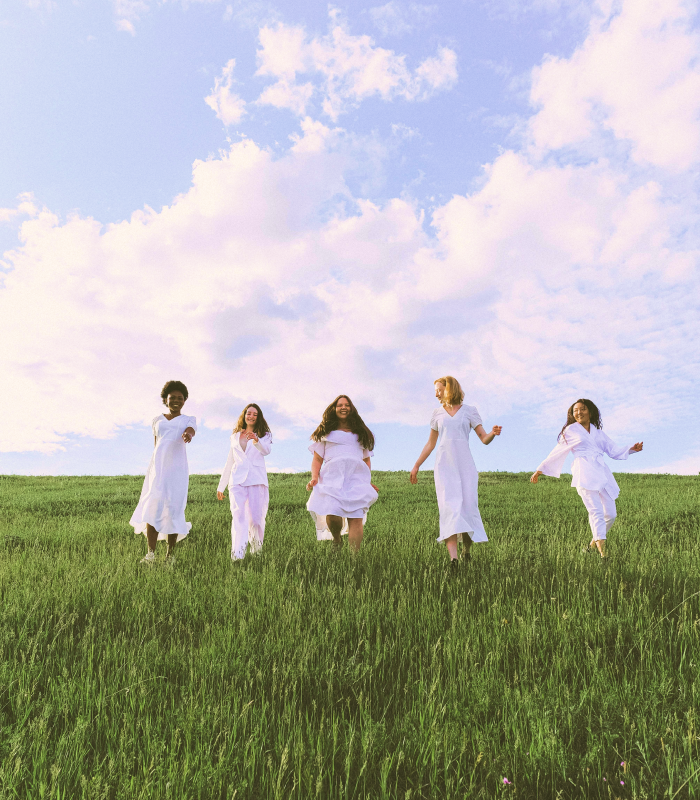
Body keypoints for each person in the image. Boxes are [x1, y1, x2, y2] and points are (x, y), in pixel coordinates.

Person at [530, 398, 643, 558]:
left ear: (590, 411)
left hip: (601, 472)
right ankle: (604, 555)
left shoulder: (598, 433)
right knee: (595, 511)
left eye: (582, 409)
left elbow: (613, 450)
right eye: (575, 410)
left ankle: (590, 546)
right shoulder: (570, 431)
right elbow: (557, 451)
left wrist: (631, 449)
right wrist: (539, 470)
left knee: (610, 514)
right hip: (583, 472)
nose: (578, 412)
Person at [410, 376, 502, 567]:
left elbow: (483, 438)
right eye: (435, 390)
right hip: (444, 465)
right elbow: (431, 443)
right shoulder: (437, 413)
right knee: (449, 509)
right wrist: (417, 465)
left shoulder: (470, 411)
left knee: (467, 508)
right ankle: (453, 560)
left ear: (450, 388)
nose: (436, 393)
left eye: (439, 389)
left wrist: (493, 433)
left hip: (465, 465)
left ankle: (466, 550)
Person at [130, 380, 196, 565]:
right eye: (172, 397)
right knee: (153, 507)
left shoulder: (188, 420)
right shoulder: (156, 420)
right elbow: (156, 444)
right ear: (165, 400)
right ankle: (150, 554)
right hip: (157, 469)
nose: (176, 401)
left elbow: (191, 431)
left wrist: (187, 435)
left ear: (184, 401)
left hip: (177, 470)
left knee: (173, 509)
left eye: (180, 398)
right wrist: (153, 468)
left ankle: (170, 556)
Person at [306, 395, 378, 552]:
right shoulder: (326, 433)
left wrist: (367, 480)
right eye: (340, 405)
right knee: (332, 511)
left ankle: (354, 560)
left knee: (356, 516)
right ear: (334, 408)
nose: (343, 407)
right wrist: (314, 478)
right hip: (332, 475)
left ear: (351, 409)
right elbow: (317, 459)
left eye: (347, 405)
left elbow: (366, 460)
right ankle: (337, 539)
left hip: (356, 477)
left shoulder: (361, 434)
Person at [216, 403, 272, 560]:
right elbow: (230, 461)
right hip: (237, 481)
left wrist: (256, 440)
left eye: (255, 414)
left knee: (256, 519)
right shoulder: (234, 437)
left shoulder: (264, 435)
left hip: (256, 481)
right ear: (244, 415)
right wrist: (221, 486)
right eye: (249, 413)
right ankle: (237, 556)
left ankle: (256, 554)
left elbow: (266, 451)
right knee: (238, 518)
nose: (251, 416)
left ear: (258, 417)